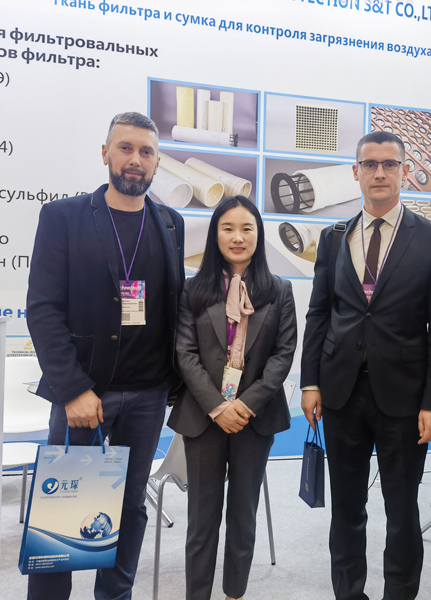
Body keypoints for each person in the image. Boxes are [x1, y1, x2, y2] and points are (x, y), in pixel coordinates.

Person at [26, 112, 185, 599]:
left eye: (146, 151)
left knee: (130, 507)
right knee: (64, 511)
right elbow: (43, 309)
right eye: (125, 148)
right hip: (84, 394)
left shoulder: (170, 223)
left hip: (147, 395)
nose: (135, 159)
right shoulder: (64, 217)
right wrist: (73, 389)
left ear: (156, 162)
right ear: (105, 153)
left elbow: (172, 306)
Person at [300, 131, 431, 600]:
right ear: (356, 172)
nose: (380, 173)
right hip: (341, 392)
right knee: (346, 508)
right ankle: (349, 593)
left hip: (405, 398)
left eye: (390, 164)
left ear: (405, 171)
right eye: (370, 164)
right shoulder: (333, 237)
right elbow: (319, 314)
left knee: (401, 510)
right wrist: (309, 382)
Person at [168, 196, 297, 600]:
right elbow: (185, 353)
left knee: (243, 515)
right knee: (201, 519)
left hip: (253, 419)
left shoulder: (279, 290)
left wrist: (244, 404)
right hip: (203, 417)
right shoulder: (192, 290)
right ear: (215, 234)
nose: (237, 237)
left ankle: (234, 594)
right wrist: (217, 405)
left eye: (246, 228)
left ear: (258, 234)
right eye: (228, 228)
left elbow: (283, 355)